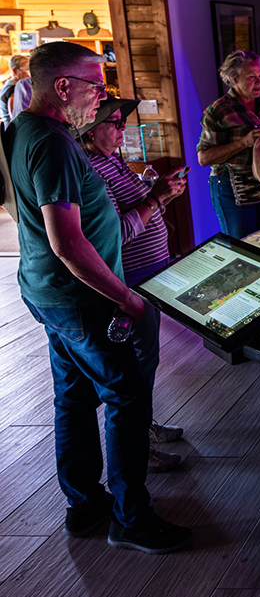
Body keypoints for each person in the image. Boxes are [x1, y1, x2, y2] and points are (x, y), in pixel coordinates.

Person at [6, 41, 190, 553]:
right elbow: (67, 241)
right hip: (79, 299)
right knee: (127, 395)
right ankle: (131, 518)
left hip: (49, 294)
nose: (100, 98)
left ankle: (84, 504)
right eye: (95, 86)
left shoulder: (24, 129)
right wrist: (127, 299)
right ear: (63, 87)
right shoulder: (57, 144)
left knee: (74, 396)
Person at [79, 97, 188, 472]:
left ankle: (145, 426)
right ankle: (137, 443)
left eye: (122, 120)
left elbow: (137, 211)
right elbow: (115, 235)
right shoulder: (94, 170)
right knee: (138, 362)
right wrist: (156, 199)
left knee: (148, 359)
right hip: (131, 282)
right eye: (114, 122)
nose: (122, 127)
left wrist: (158, 194)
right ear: (90, 131)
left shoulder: (113, 161)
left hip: (149, 275)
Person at [198, 49, 260, 239]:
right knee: (242, 250)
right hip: (233, 192)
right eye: (251, 77)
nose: (259, 82)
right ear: (234, 78)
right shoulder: (218, 111)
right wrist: (243, 143)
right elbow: (203, 158)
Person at [1, 54, 29, 128]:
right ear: (15, 70)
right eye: (26, 68)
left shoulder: (8, 83)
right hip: (13, 130)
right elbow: (15, 117)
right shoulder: (15, 88)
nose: (30, 72)